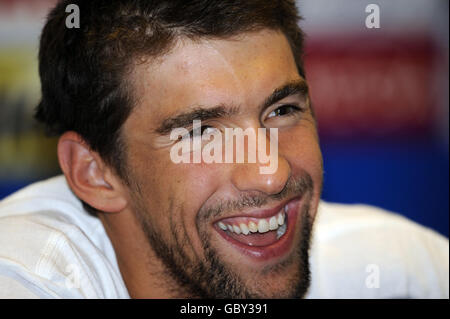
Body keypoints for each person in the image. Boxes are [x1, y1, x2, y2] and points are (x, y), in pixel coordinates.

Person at [0, 0, 447, 299]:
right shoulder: (23, 276)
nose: (270, 174)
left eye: (282, 109)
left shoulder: (398, 274)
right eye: (200, 132)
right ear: (94, 173)